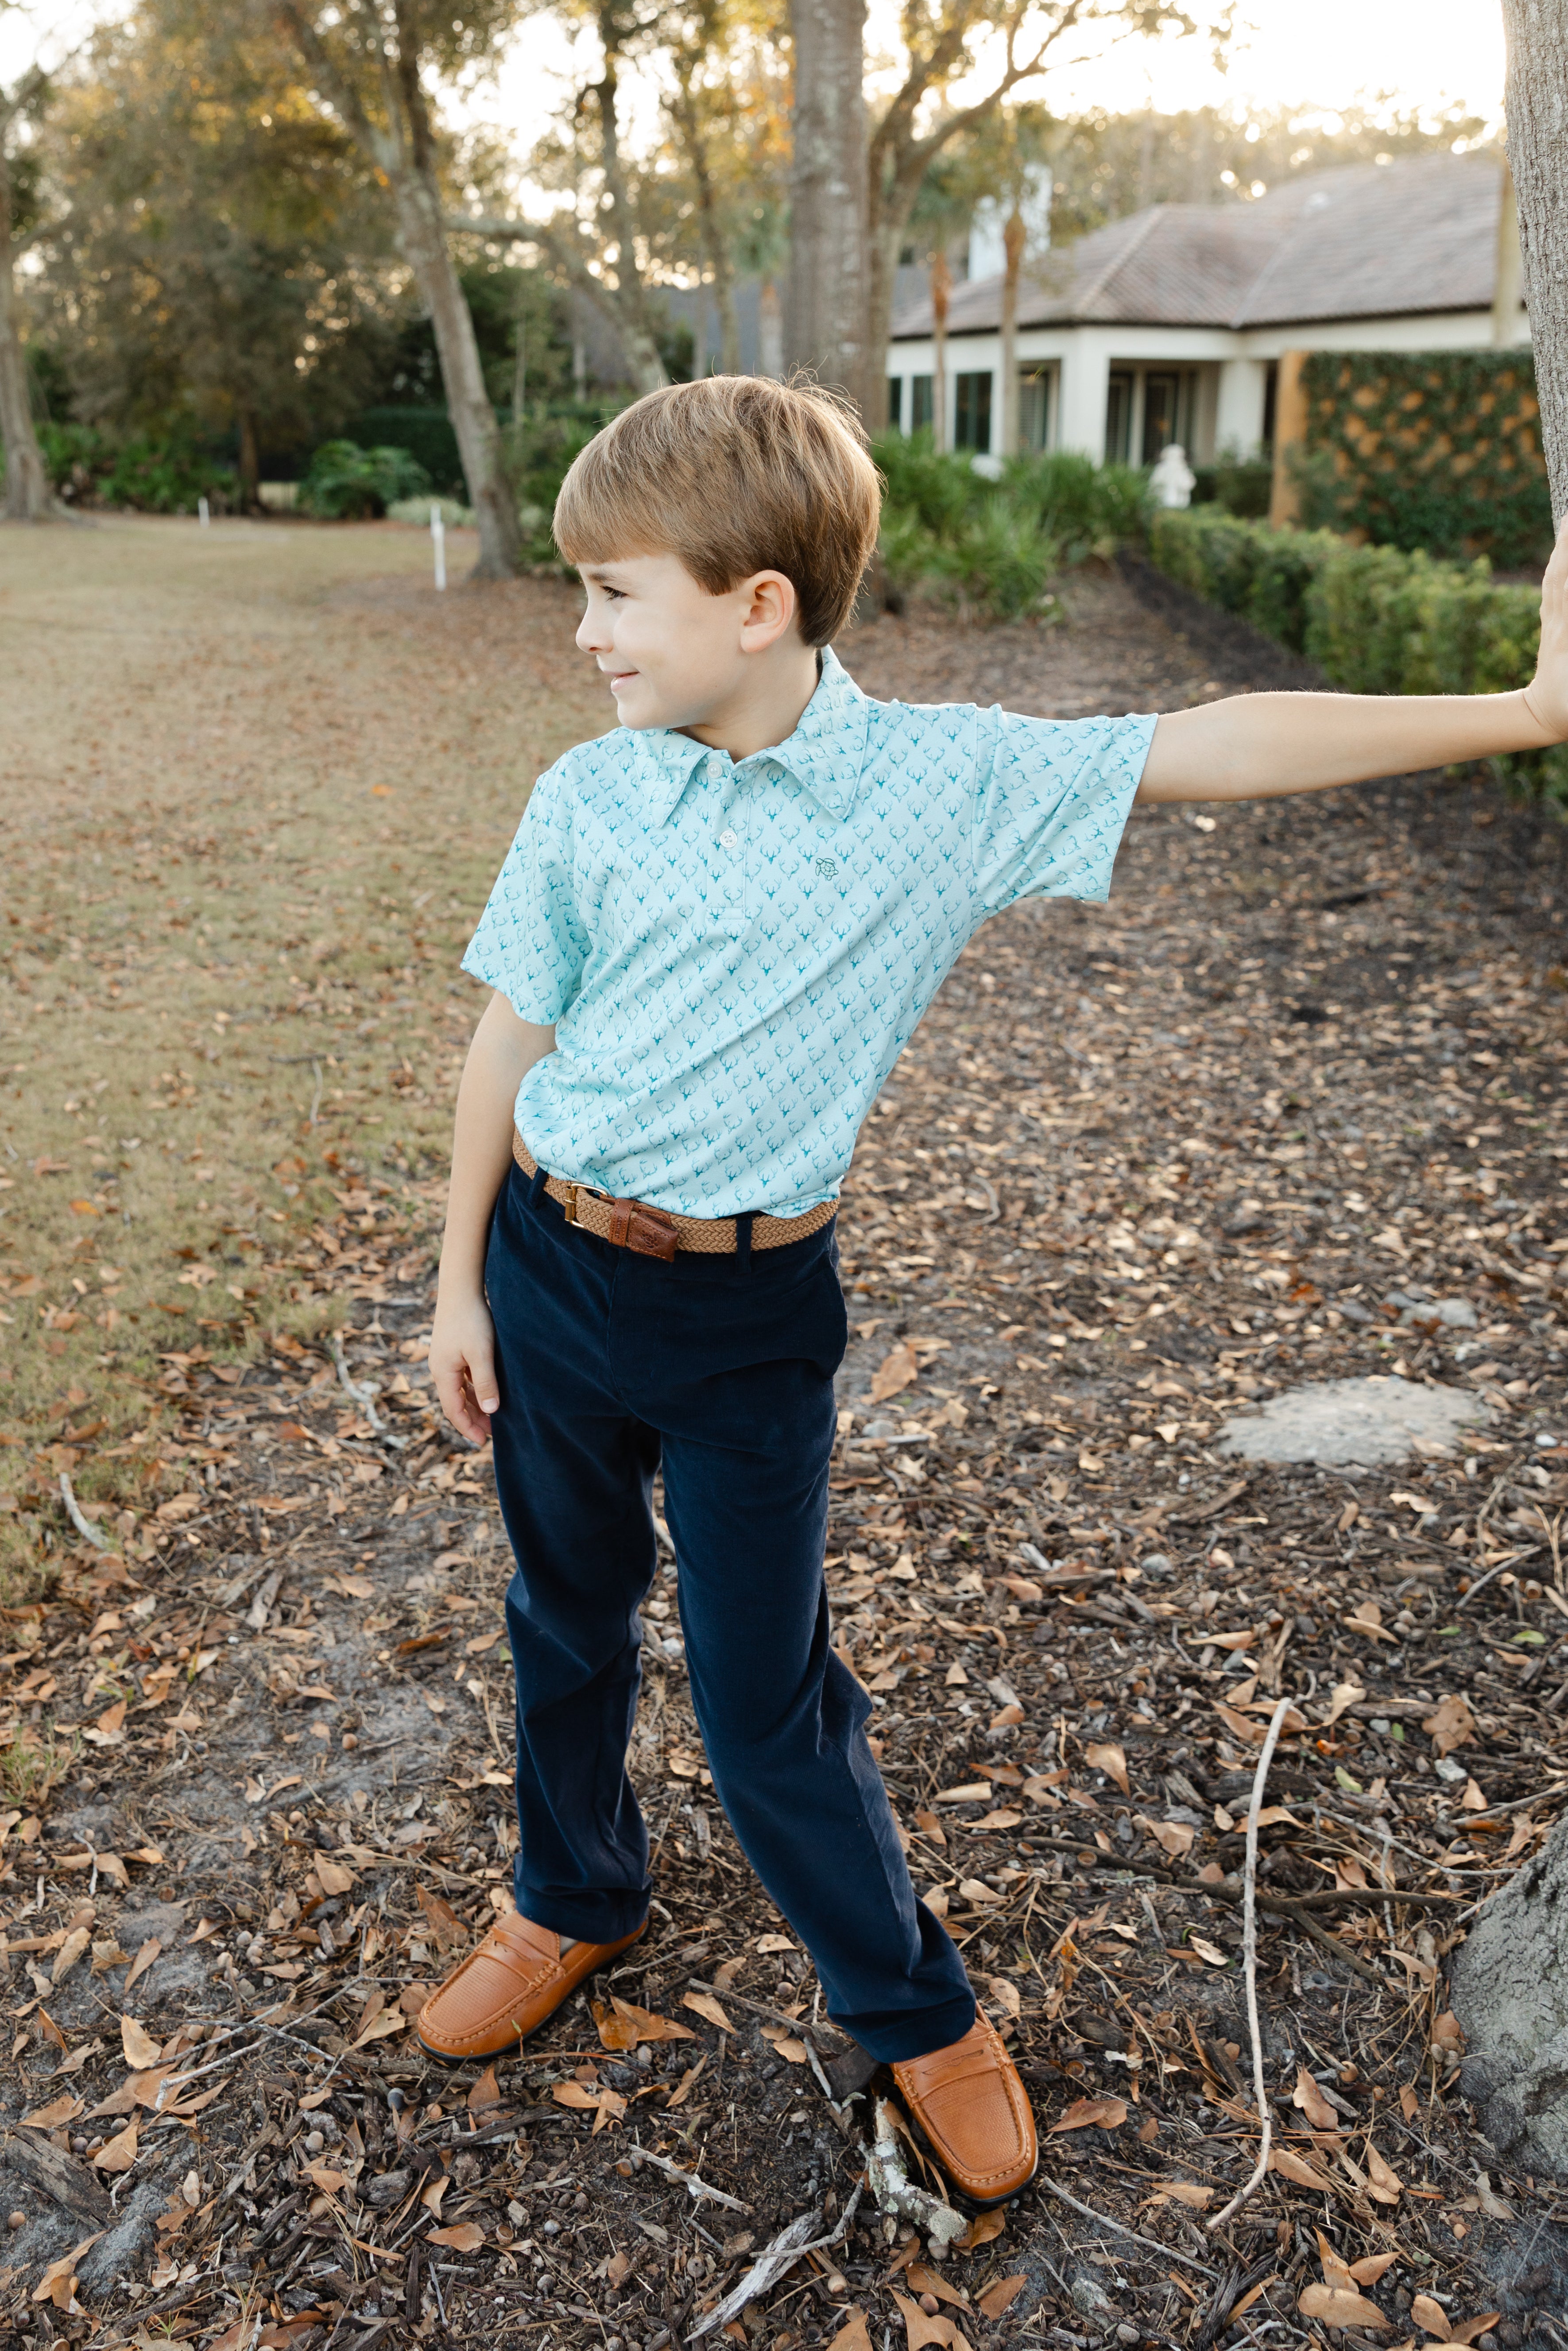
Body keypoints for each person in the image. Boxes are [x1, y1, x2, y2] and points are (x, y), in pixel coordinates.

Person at [419, 375, 1568, 2206]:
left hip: (745, 1323)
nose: (583, 631)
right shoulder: (591, 792)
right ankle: (570, 1895)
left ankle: (915, 2011)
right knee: (562, 1615)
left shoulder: (939, 785)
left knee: (764, 1700)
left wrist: (1525, 708)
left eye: (615, 593)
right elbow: (510, 1031)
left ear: (758, 604)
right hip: (548, 1271)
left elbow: (1209, 743)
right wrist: (458, 1285)